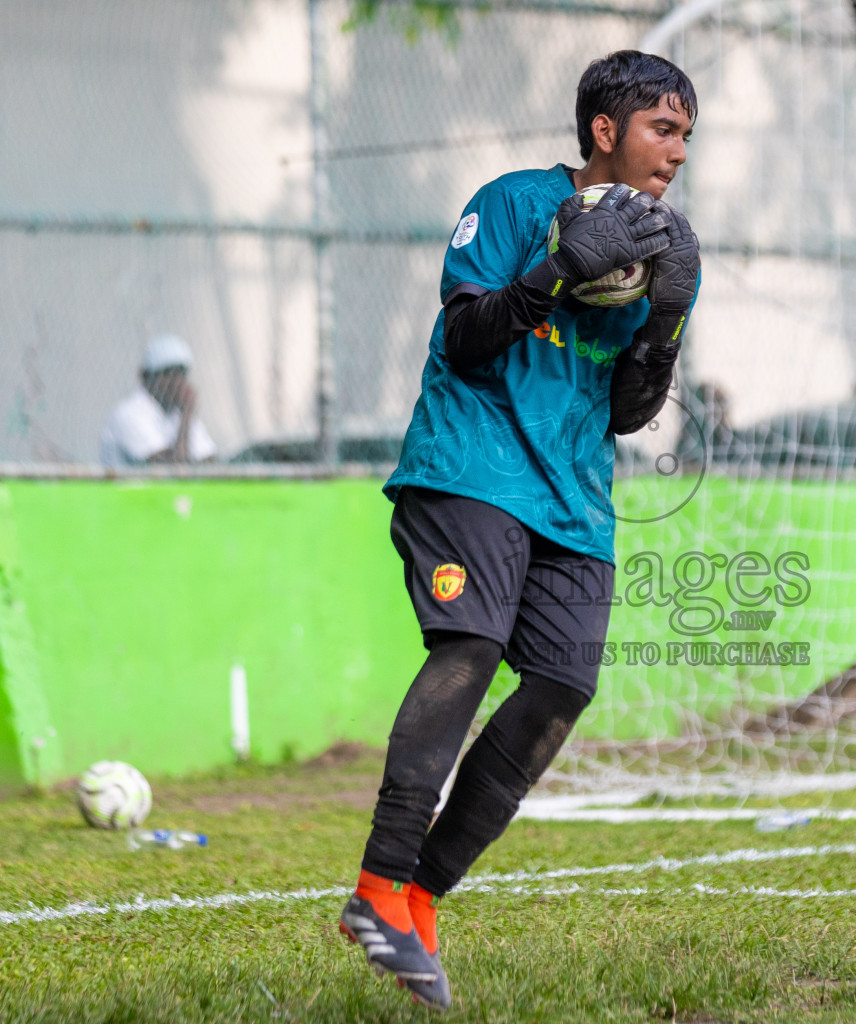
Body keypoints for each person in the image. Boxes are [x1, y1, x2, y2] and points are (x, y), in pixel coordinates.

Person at [337, 50, 701, 1009]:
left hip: (575, 498)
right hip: (471, 465)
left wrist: (662, 329)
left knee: (562, 687)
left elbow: (628, 410)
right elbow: (465, 335)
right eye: (663, 130)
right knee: (471, 644)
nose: (676, 154)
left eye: (686, 138)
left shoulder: (669, 252)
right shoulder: (509, 202)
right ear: (604, 131)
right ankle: (376, 882)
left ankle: (419, 897)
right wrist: (556, 268)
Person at [99, 334, 216, 466]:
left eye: (181, 373)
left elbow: (210, 460)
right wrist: (186, 415)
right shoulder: (129, 413)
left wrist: (186, 415)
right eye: (168, 373)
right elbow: (173, 468)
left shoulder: (178, 411)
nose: (177, 381)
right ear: (146, 378)